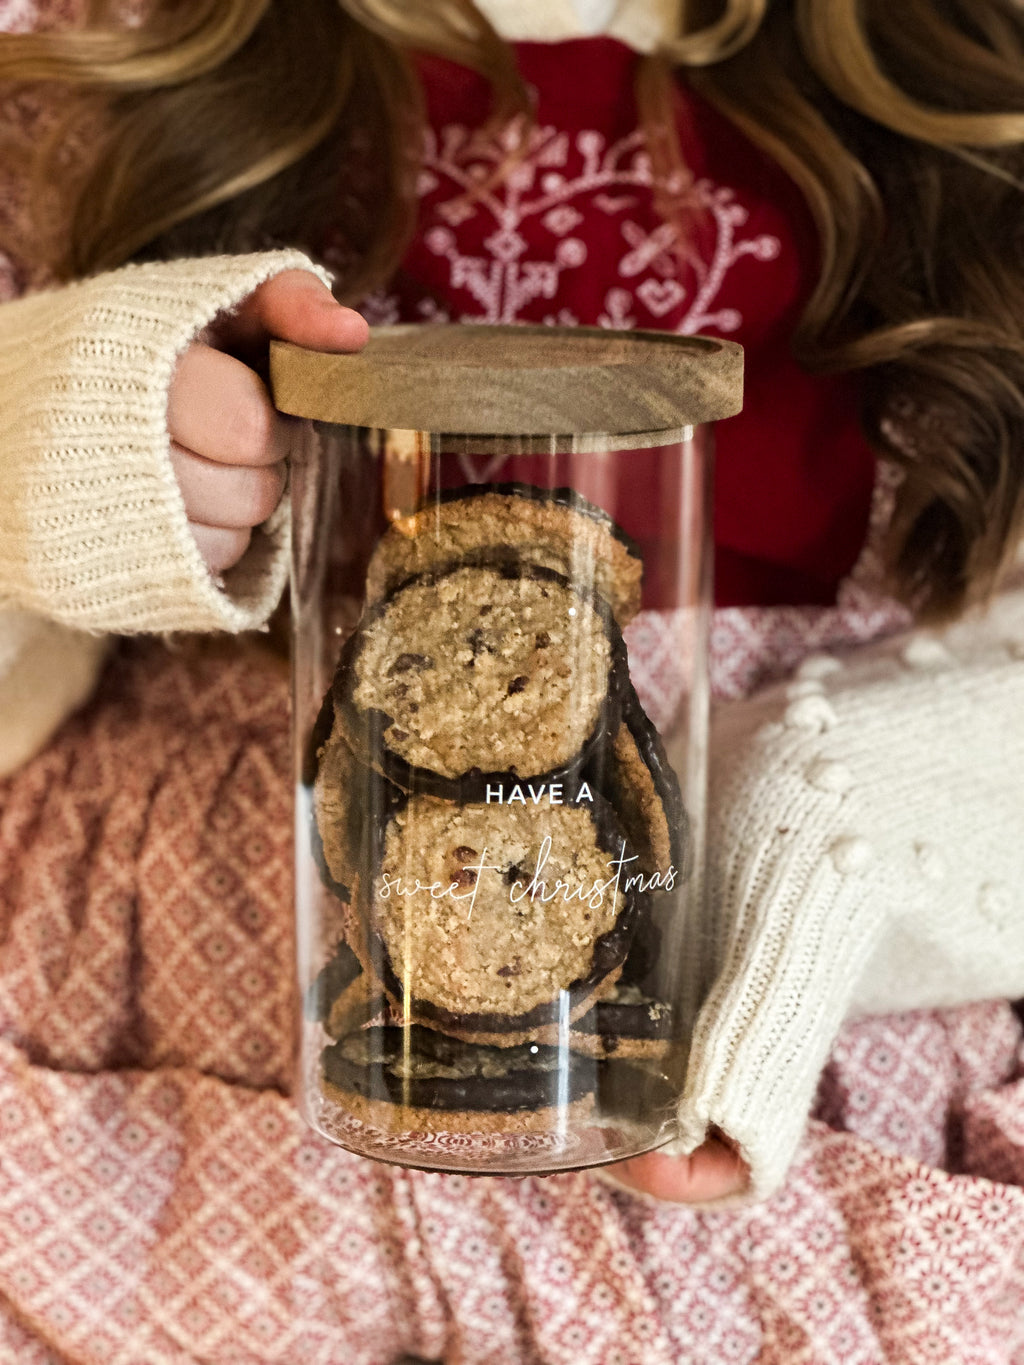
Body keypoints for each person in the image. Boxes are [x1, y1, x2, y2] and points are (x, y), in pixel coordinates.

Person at [0, 0, 1023, 1359]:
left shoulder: (980, 86)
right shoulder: (76, 61)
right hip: (179, 1097)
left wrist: (837, 814)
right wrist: (40, 447)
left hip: (799, 1100)